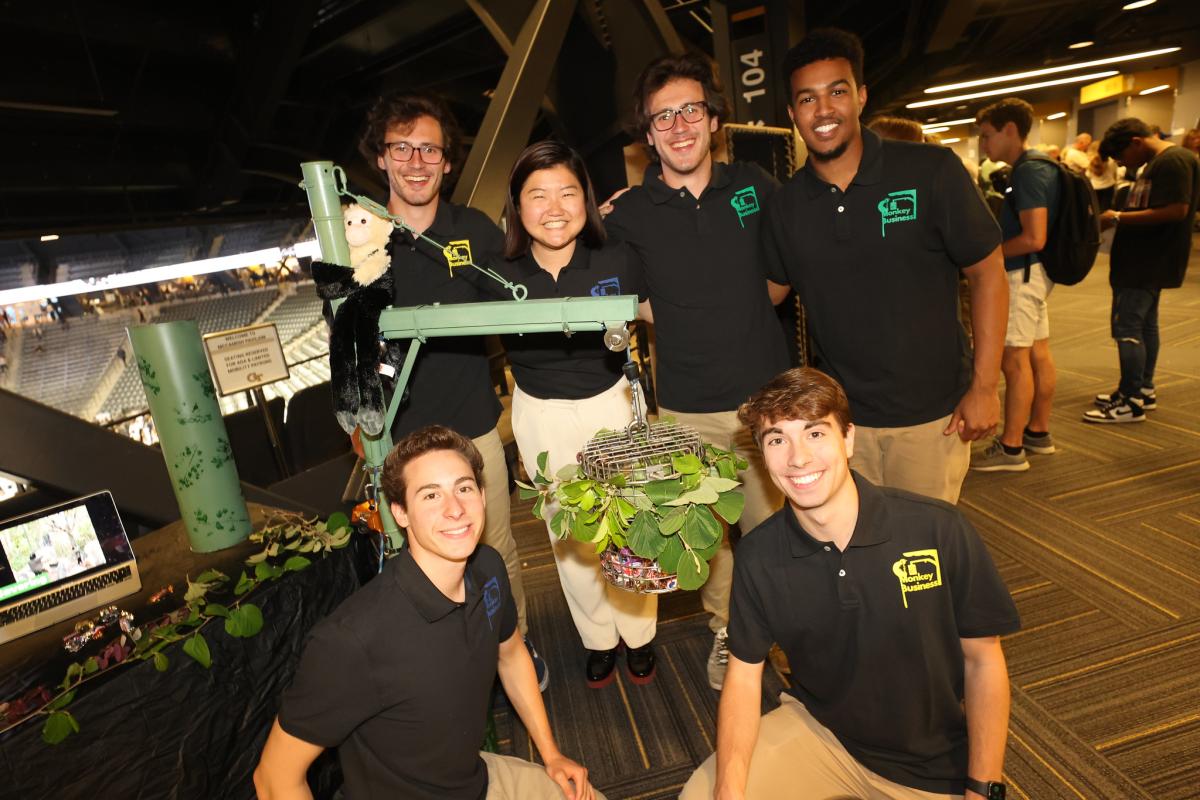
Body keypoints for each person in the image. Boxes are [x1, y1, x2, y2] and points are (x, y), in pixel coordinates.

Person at [679, 367, 1020, 800]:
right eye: (777, 439)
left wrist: (983, 785)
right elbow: (744, 679)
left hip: (932, 764)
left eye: (815, 434)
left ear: (849, 439)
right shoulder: (759, 555)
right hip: (824, 733)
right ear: (763, 456)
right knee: (700, 796)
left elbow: (983, 662)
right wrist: (730, 790)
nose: (797, 457)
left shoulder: (937, 529)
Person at [254, 426, 601, 800]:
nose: (455, 509)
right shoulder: (351, 641)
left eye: (464, 488)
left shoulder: (487, 568)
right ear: (400, 513)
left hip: (475, 781)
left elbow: (512, 654)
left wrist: (550, 753)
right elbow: (274, 779)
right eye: (431, 495)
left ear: (483, 495)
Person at [604, 52, 789, 690]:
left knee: (775, 533)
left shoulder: (755, 187)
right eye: (663, 117)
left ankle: (782, 633)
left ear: (713, 119)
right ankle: (729, 636)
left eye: (690, 111)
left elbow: (779, 283)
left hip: (767, 398)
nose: (679, 126)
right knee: (710, 542)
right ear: (648, 133)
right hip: (686, 404)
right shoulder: (628, 214)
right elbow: (630, 299)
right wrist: (684, 317)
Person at [762, 27, 1007, 505]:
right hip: (838, 423)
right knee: (854, 556)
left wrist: (985, 386)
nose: (824, 110)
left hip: (932, 418)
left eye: (837, 91)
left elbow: (988, 273)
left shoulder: (929, 171)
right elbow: (767, 292)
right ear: (792, 114)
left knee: (922, 561)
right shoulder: (785, 206)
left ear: (861, 97)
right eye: (807, 99)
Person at [356, 91, 545, 683]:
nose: (416, 161)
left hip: (473, 428)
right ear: (381, 159)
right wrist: (361, 432)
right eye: (402, 148)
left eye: (429, 149)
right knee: (416, 565)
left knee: (496, 552)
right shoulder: (357, 240)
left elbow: (526, 290)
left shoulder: (475, 230)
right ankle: (448, 668)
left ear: (447, 161)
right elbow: (347, 350)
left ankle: (515, 647)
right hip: (398, 440)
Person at [491, 140, 659, 688]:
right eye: (537, 195)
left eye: (568, 192)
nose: (555, 207)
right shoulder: (499, 272)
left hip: (610, 406)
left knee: (629, 527)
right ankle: (597, 638)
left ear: (587, 200)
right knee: (569, 538)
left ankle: (639, 635)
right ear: (517, 206)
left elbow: (663, 314)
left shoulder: (618, 255)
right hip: (538, 412)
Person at [1086, 117, 1200, 423]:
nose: (1123, 163)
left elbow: (1177, 210)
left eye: (1122, 156)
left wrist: (1118, 217)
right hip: (1147, 259)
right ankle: (1142, 389)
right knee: (1146, 325)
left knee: (1128, 328)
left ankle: (1130, 400)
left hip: (1147, 260)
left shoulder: (1174, 160)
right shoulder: (1159, 161)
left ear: (1136, 142)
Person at [971, 98, 1059, 473]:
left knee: (1014, 361)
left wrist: (990, 258)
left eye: (987, 137)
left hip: (1022, 273)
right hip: (1034, 274)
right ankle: (1037, 432)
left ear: (1010, 130)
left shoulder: (1028, 171)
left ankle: (1012, 447)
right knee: (1037, 354)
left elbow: (1034, 237)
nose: (984, 146)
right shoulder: (1038, 165)